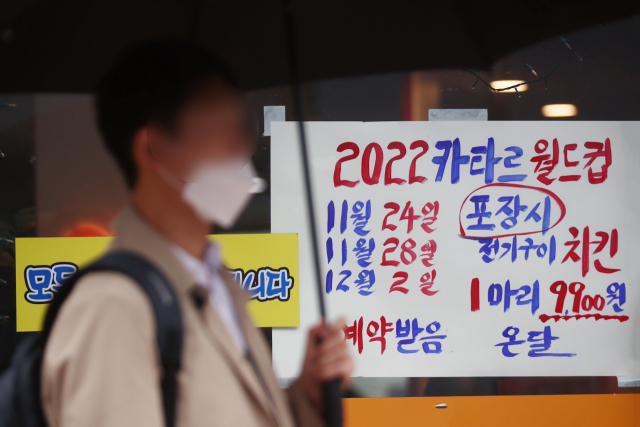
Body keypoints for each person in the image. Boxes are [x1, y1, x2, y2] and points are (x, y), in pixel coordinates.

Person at [40, 39, 353, 427]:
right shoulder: (114, 308)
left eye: (239, 126)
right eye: (218, 126)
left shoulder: (215, 285)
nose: (242, 145)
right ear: (151, 148)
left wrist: (307, 397)